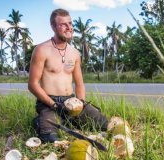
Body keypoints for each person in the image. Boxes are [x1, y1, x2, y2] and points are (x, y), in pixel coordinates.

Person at [28, 8, 108, 143]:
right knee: (50, 138)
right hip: (49, 102)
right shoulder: (41, 50)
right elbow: (32, 85)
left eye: (70, 24)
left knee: (104, 124)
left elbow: (79, 83)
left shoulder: (75, 53)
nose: (69, 27)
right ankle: (41, 121)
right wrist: (54, 106)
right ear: (53, 26)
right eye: (63, 24)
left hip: (71, 102)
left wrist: (81, 103)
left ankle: (69, 119)